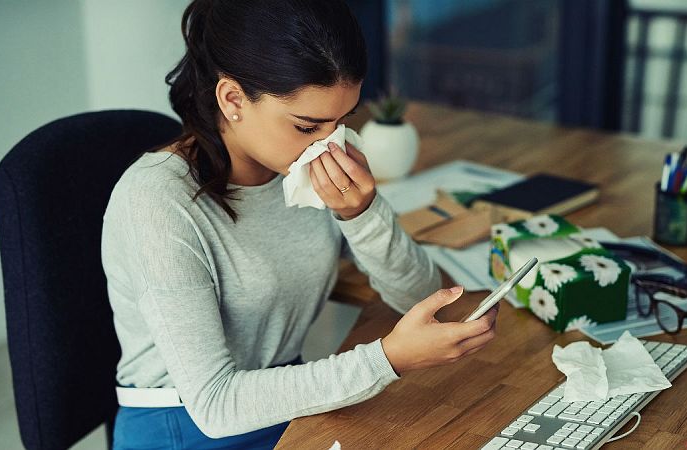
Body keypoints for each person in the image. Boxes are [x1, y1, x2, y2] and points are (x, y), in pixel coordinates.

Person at [101, 0, 499, 448]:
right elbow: (214, 404)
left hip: (291, 400)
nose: (329, 145)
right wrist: (387, 360)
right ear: (232, 99)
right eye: (307, 126)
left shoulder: (304, 168)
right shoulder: (156, 201)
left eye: (342, 120)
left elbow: (423, 301)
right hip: (188, 424)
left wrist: (362, 214)